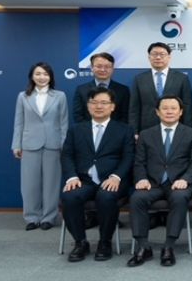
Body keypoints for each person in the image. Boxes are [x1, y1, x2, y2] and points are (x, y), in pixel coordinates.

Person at [60, 87, 135, 262]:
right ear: (88, 106)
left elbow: (129, 157)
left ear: (112, 106)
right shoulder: (76, 130)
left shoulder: (124, 130)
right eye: (94, 102)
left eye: (104, 103)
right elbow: (67, 155)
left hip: (113, 179)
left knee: (106, 197)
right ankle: (80, 242)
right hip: (84, 180)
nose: (98, 106)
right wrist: (72, 177)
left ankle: (105, 242)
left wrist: (116, 177)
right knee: (69, 197)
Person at [127, 95, 192, 267]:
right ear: (157, 112)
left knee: (179, 197)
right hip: (153, 183)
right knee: (137, 198)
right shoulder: (146, 134)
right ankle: (143, 246)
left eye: (173, 108)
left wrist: (185, 179)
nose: (169, 111)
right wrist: (142, 179)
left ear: (181, 112)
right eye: (165, 108)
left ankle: (169, 246)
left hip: (180, 183)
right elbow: (139, 162)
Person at [11, 62, 68, 231]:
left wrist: (64, 145)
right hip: (29, 144)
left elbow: (64, 123)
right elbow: (18, 122)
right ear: (32, 76)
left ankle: (49, 217)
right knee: (29, 183)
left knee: (52, 183)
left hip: (53, 144)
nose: (42, 77)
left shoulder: (60, 96)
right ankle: (31, 217)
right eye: (38, 74)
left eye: (45, 74)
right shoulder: (23, 96)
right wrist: (16, 144)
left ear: (50, 77)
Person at [129, 42, 192, 136]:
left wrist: (187, 131)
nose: (158, 57)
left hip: (176, 129)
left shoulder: (181, 78)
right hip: (146, 129)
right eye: (154, 54)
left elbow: (187, 107)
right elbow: (134, 108)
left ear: (169, 57)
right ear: (149, 57)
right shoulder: (140, 79)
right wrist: (134, 132)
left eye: (162, 54)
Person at [72, 52, 130, 124]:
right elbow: (78, 115)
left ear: (112, 68)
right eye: (99, 66)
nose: (103, 70)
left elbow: (125, 116)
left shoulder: (123, 90)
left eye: (107, 67)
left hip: (116, 130)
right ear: (92, 68)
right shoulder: (81, 89)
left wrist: (113, 129)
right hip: (87, 130)